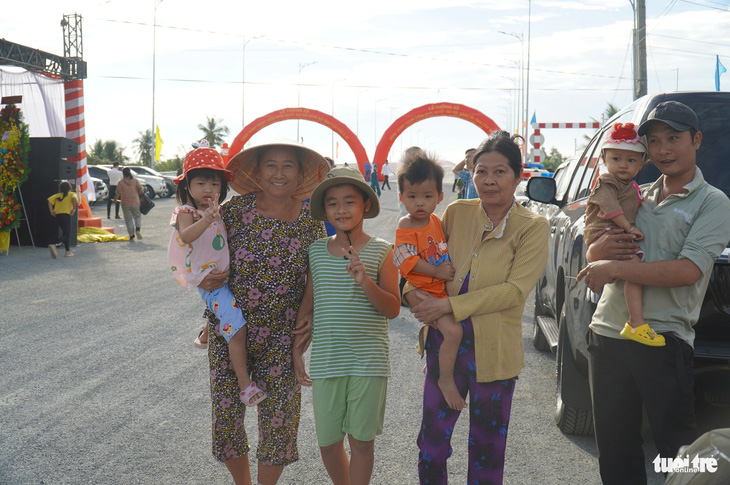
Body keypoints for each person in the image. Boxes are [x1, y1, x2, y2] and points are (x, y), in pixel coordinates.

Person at [577, 101, 730, 484]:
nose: (663, 149)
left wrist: (613, 268)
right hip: (607, 334)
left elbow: (687, 271)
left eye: (674, 139)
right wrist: (600, 254)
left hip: (663, 338)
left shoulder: (713, 202)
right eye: (655, 141)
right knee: (615, 452)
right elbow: (594, 247)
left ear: (696, 140)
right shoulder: (634, 195)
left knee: (678, 453)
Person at [406, 131, 549, 484]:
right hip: (445, 347)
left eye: (500, 172)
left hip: (495, 353)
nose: (488, 180)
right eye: (481, 171)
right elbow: (422, 260)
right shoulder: (456, 212)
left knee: (487, 450)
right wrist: (414, 296)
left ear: (518, 176)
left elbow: (515, 291)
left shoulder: (532, 227)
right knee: (432, 445)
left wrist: (449, 305)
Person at [197, 141, 329, 485]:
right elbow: (205, 256)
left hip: (284, 334)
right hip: (231, 330)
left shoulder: (311, 220)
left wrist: (306, 312)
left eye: (288, 166)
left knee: (280, 419)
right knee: (226, 416)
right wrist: (205, 287)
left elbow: (315, 271)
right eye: (271, 165)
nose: (279, 173)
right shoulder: (234, 211)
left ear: (300, 173)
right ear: (258, 171)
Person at [293, 166, 400, 485]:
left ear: (366, 204)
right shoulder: (316, 250)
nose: (341, 209)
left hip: (368, 362)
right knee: (327, 443)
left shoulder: (383, 250)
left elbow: (393, 308)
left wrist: (365, 280)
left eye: (349, 201)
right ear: (324, 210)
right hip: (327, 362)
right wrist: (297, 352)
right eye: (333, 203)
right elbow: (308, 305)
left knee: (361, 442)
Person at [167, 142, 265, 406]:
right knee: (238, 328)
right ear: (186, 185)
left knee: (227, 313)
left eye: (214, 184)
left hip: (226, 279)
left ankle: (208, 328)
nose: (208, 189)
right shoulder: (186, 213)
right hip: (212, 284)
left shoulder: (220, 211)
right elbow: (186, 236)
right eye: (200, 183)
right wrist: (207, 219)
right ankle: (246, 386)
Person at [394, 152, 465, 410]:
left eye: (427, 196)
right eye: (412, 197)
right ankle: (445, 379)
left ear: (439, 197)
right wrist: (436, 273)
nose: (419, 203)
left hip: (436, 288)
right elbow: (406, 260)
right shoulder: (406, 224)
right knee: (454, 331)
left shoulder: (436, 220)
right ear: (401, 197)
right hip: (419, 286)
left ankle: (434, 359)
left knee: (450, 328)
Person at [584, 122, 664, 346]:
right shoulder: (606, 182)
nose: (623, 165)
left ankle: (635, 320)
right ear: (604, 159)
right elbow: (610, 209)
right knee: (633, 269)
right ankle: (636, 322)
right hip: (604, 232)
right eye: (616, 159)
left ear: (642, 163)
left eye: (631, 160)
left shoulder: (632, 187)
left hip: (613, 233)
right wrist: (629, 228)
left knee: (632, 271)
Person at [47, 181, 78, 258]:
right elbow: (74, 199)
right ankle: (55, 244)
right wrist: (74, 209)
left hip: (57, 216)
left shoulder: (58, 195)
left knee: (65, 233)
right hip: (66, 215)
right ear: (70, 188)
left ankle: (67, 251)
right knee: (67, 234)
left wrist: (51, 210)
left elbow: (49, 200)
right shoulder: (72, 194)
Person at [116, 167, 144, 241]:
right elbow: (141, 190)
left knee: (128, 220)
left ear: (123, 173)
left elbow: (117, 193)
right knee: (137, 216)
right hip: (135, 202)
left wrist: (115, 199)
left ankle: (131, 236)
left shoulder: (120, 182)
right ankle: (138, 229)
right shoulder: (135, 181)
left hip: (125, 203)